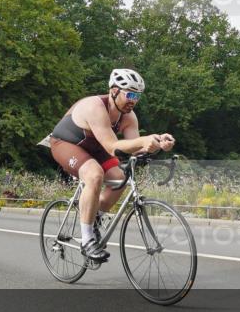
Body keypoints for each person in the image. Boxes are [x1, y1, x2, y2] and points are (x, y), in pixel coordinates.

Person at [45, 69, 175, 261]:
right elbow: (113, 146)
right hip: (66, 144)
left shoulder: (129, 117)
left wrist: (157, 143)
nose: (134, 100)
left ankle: (95, 216)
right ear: (114, 90)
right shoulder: (94, 106)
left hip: (96, 148)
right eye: (130, 94)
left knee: (120, 179)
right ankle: (87, 240)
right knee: (94, 174)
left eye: (138, 96)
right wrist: (144, 141)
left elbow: (136, 148)